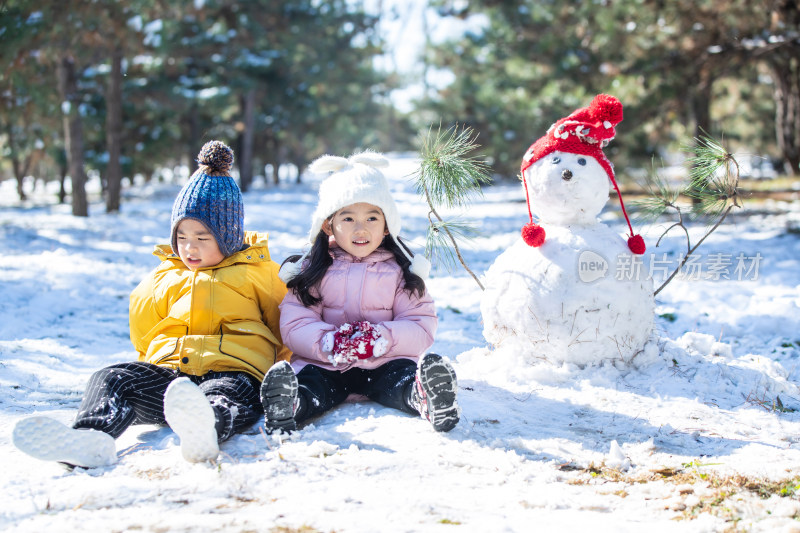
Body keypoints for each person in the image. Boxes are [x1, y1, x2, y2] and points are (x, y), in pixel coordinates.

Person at [12, 140, 290, 468]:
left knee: (228, 395)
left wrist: (278, 372)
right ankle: (91, 437)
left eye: (203, 238)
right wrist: (153, 364)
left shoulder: (259, 274)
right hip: (171, 377)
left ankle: (205, 429)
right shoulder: (164, 276)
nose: (190, 248)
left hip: (234, 368)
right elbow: (144, 327)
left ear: (229, 236)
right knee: (111, 378)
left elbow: (284, 325)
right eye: (182, 238)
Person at [260, 151, 459, 436]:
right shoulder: (313, 269)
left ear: (387, 224)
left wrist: (381, 339)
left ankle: (424, 397)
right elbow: (296, 322)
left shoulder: (402, 271)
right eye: (349, 218)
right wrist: (329, 342)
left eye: (372, 217)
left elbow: (420, 324)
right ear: (329, 224)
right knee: (312, 384)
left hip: (383, 361)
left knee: (400, 379)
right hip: (326, 363)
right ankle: (291, 404)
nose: (361, 228)